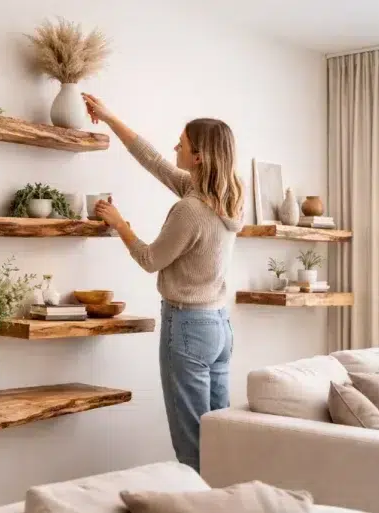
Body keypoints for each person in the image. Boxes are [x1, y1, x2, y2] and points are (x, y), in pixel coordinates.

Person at [82, 93, 244, 473]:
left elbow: (150, 260)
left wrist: (119, 223)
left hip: (187, 328)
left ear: (199, 156)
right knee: (219, 438)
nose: (175, 146)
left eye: (182, 143)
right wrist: (108, 116)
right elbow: (152, 160)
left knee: (191, 447)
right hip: (219, 326)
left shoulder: (190, 209)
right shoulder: (229, 199)